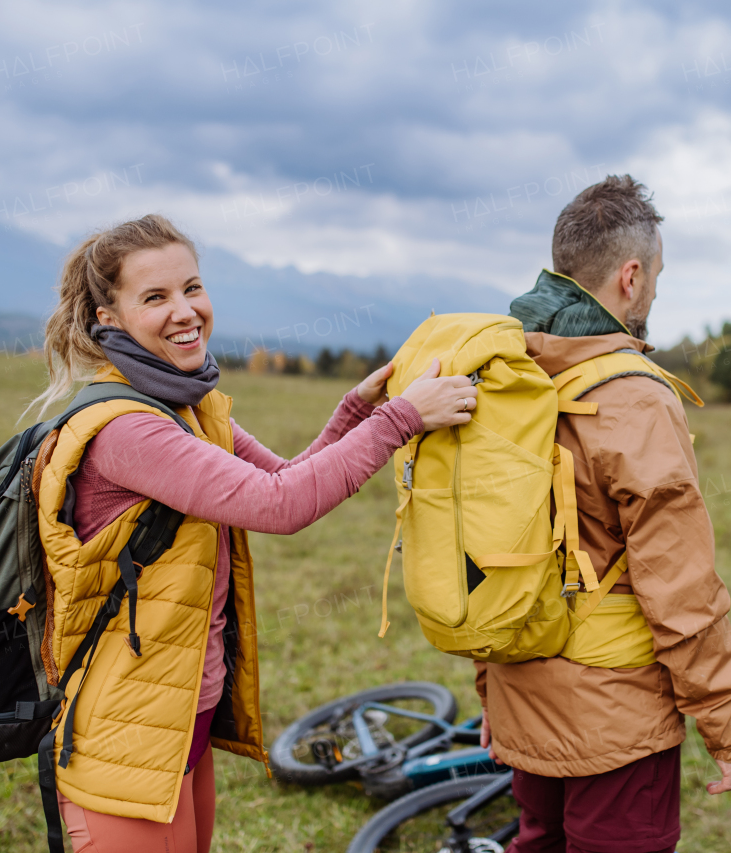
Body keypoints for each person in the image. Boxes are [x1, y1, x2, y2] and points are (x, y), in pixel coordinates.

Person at [30, 213, 478, 853]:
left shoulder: (186, 406)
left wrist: (358, 411)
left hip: (182, 710)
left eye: (191, 287)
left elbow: (286, 478)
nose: (185, 311)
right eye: (154, 297)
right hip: (125, 728)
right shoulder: (129, 429)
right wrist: (401, 420)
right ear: (108, 317)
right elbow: (281, 505)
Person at [475, 175, 731, 853]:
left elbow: (481, 543)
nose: (655, 289)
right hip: (617, 722)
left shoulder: (503, 374)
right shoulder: (635, 397)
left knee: (538, 840)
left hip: (520, 691)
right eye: (656, 274)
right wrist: (727, 727)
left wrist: (490, 691)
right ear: (630, 276)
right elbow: (681, 589)